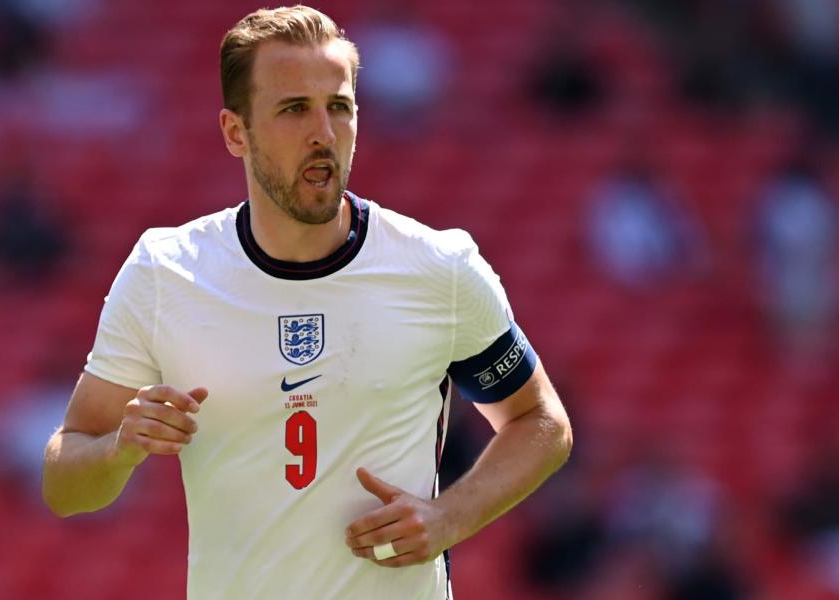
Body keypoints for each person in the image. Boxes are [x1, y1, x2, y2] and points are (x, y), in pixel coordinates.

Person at [41, 6, 572, 599]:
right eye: (295, 109)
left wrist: (450, 518)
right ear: (235, 132)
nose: (324, 132)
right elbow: (65, 482)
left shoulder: (437, 268)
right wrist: (119, 450)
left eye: (339, 107)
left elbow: (540, 422)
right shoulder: (165, 272)